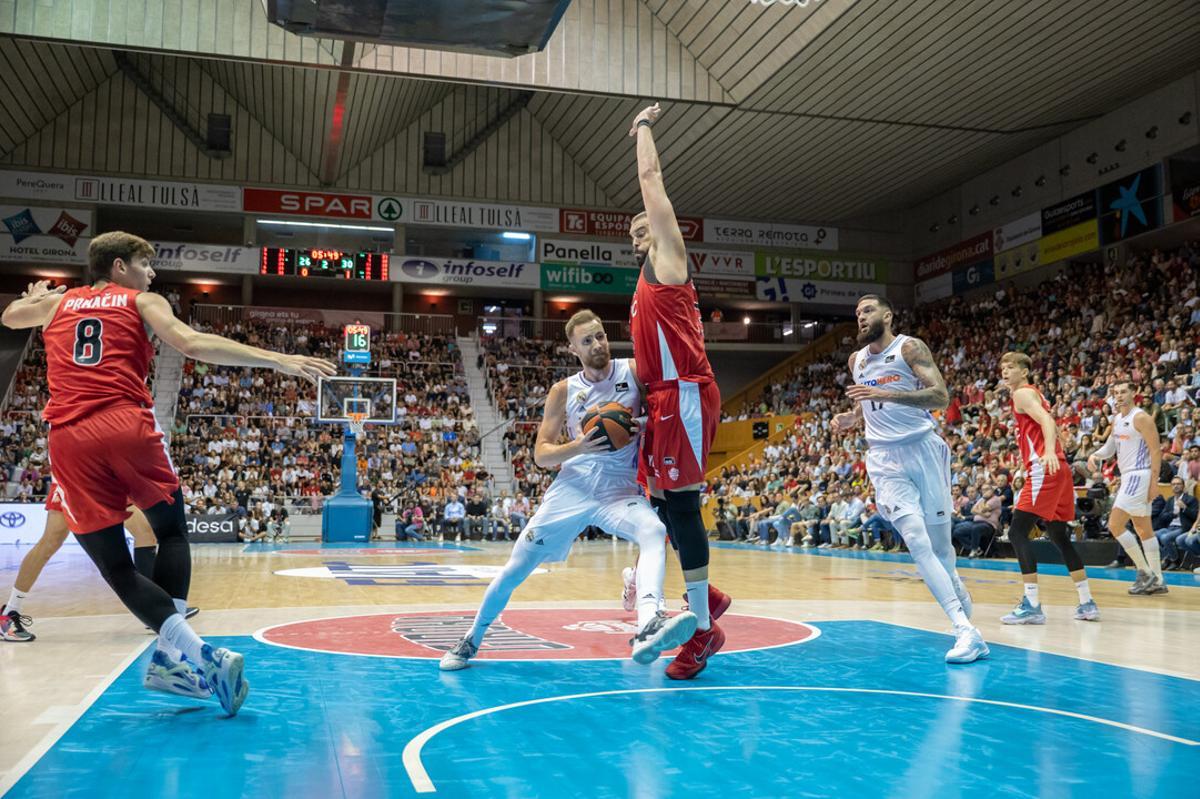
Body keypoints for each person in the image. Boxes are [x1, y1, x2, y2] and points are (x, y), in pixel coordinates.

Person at [1, 232, 335, 716]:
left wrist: (35, 299)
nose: (152, 273)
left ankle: (188, 658)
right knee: (170, 533)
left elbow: (10, 316)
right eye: (145, 264)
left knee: (116, 568)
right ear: (119, 267)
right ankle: (177, 659)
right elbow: (190, 342)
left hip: (69, 439)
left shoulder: (58, 305)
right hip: (125, 424)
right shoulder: (142, 300)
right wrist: (276, 358)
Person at [440, 311, 696, 671]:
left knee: (654, 531)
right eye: (587, 341)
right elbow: (541, 454)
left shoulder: (634, 372)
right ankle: (472, 638)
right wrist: (578, 446)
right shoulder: (563, 391)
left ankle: (649, 622)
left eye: (601, 336)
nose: (597, 345)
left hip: (617, 490)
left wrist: (637, 424)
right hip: (572, 489)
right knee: (516, 567)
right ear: (572, 348)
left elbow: (664, 410)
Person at [626, 102, 730, 680]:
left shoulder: (669, 258)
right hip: (664, 400)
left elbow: (650, 181)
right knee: (662, 505)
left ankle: (699, 631)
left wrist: (641, 127)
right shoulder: (641, 287)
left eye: (649, 221)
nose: (645, 226)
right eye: (638, 228)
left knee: (683, 505)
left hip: (686, 393)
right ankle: (706, 600)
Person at [833, 294, 988, 663]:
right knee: (916, 540)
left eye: (867, 310)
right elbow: (865, 401)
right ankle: (964, 630)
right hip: (884, 458)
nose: (860, 317)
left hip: (924, 449)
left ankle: (953, 584)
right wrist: (853, 418)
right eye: (856, 313)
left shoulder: (909, 348)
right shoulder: (856, 361)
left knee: (939, 547)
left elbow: (940, 396)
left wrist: (885, 393)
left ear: (887, 315)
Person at [1, 482, 198, 643]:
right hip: (76, 478)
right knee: (49, 543)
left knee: (145, 533)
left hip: (103, 475)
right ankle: (9, 612)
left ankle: (157, 608)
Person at [997, 352, 1100, 624]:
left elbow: (1047, 420)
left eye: (1011, 367)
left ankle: (1031, 604)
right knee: (1058, 535)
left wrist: (1050, 452)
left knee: (1017, 532)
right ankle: (1087, 602)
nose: (1005, 372)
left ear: (1025, 372)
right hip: (1058, 470)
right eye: (1002, 368)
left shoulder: (1022, 394)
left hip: (1046, 469)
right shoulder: (1032, 394)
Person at [1088, 381, 1168, 594]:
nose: (1119, 396)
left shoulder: (1140, 417)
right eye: (1115, 392)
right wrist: (1095, 454)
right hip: (1129, 477)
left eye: (1123, 391)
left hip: (1139, 475)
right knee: (1143, 529)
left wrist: (1154, 483)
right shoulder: (1116, 419)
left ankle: (1145, 572)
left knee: (1115, 525)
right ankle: (1158, 579)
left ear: (1134, 393)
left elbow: (1156, 451)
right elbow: (1110, 448)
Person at [1154, 477, 1198, 569]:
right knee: (1153, 535)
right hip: (1170, 527)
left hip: (1183, 527)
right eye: (1173, 484)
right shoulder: (1170, 500)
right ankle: (1168, 557)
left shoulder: (1191, 499)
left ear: (1183, 486)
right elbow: (1162, 516)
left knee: (1165, 538)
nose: (1176, 486)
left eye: (1178, 484)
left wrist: (1185, 508)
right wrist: (1173, 514)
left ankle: (1175, 560)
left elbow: (1195, 516)